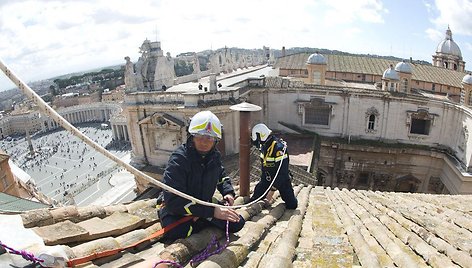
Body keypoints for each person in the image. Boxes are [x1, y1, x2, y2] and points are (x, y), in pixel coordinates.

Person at [158, 111, 245, 240]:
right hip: (178, 209)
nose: (204, 142)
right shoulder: (179, 160)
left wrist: (228, 192)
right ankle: (201, 221)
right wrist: (211, 212)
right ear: (191, 136)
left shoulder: (213, 156)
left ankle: (200, 221)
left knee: (238, 222)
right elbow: (173, 201)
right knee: (176, 232)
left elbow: (220, 174)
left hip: (204, 204)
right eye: (200, 136)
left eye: (210, 138)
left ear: (215, 141)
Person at [249, 123, 298, 209]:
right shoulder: (264, 147)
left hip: (281, 180)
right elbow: (264, 167)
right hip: (267, 179)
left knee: (292, 205)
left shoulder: (279, 148)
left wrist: (272, 190)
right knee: (254, 199)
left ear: (261, 136)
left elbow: (282, 172)